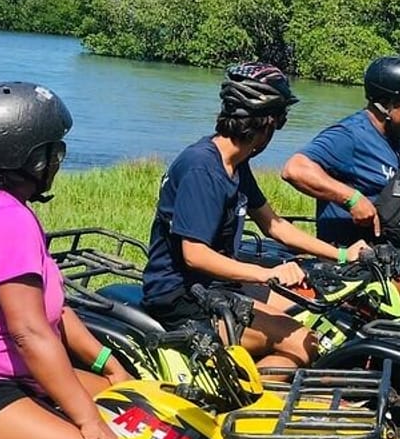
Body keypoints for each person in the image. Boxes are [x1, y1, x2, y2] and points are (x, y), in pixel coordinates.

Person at [0, 82, 132, 439]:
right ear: (29, 157)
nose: (59, 160)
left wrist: (110, 367)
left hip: (7, 376)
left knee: (137, 402)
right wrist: (89, 422)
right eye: (54, 150)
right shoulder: (5, 218)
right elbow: (28, 331)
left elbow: (55, 310)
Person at [141, 63, 362, 370]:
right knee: (306, 343)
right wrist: (266, 273)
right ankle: (247, 405)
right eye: (280, 120)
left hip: (218, 285)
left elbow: (275, 226)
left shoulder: (234, 163)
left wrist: (342, 255)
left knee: (322, 310)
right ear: (268, 122)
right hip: (181, 297)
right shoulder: (202, 169)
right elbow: (195, 255)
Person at [281, 55, 400, 306]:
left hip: (395, 243)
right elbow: (295, 169)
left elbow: (387, 188)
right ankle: (379, 339)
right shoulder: (349, 136)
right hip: (358, 248)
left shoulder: (395, 141)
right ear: (386, 104)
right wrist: (351, 198)